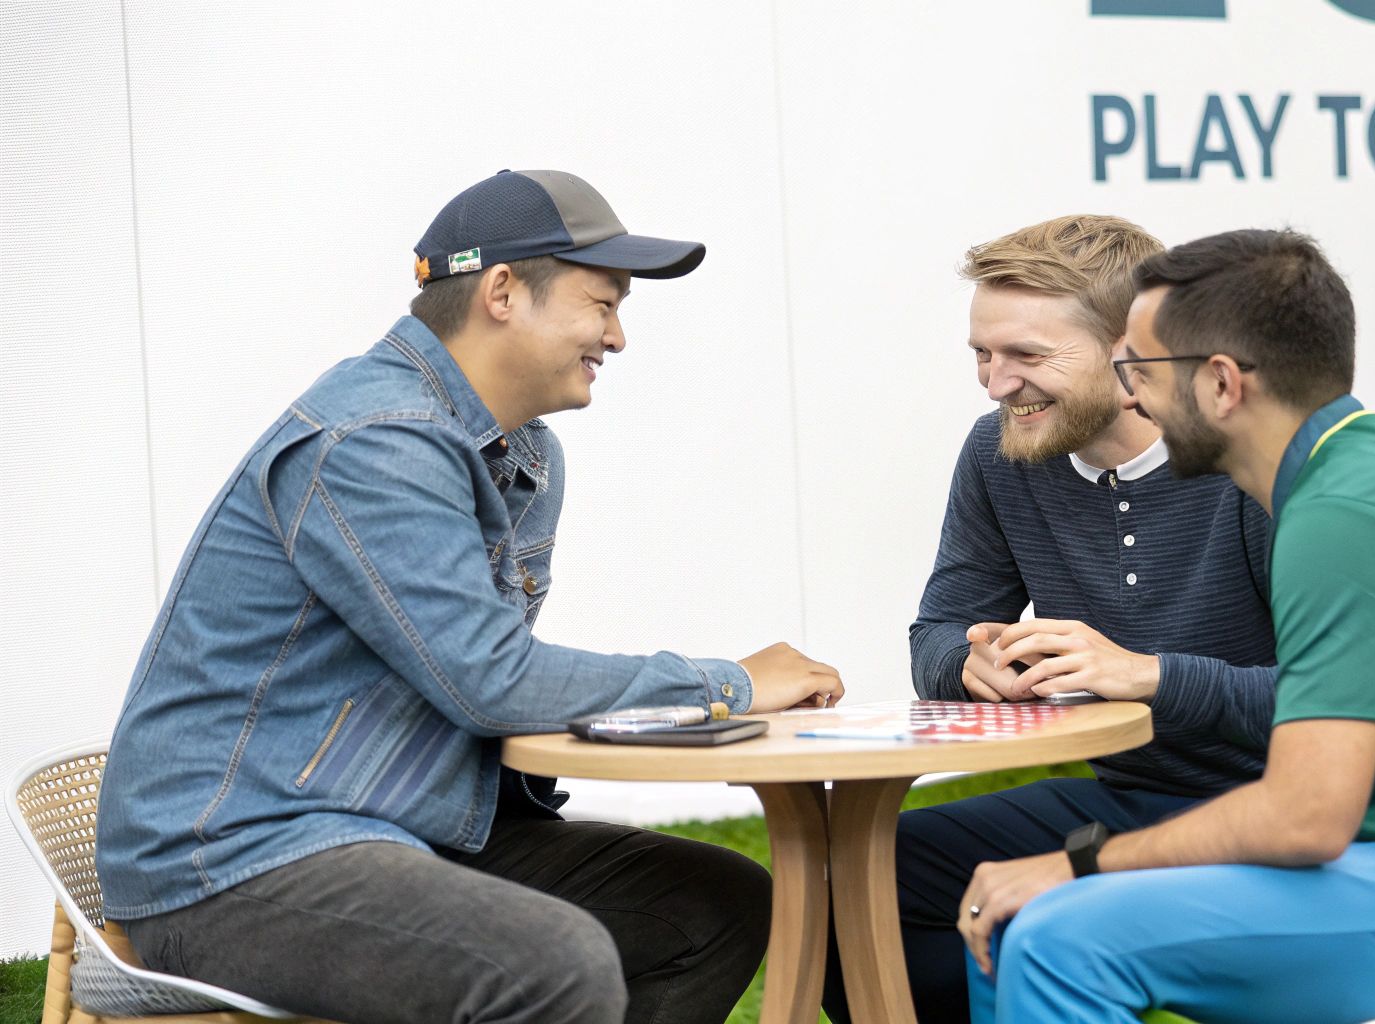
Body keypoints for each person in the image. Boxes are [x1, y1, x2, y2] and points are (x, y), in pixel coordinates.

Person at [95, 169, 844, 1024]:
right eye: (603, 303)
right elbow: (492, 680)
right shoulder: (376, 440)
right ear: (502, 293)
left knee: (716, 906)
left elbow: (482, 681)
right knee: (555, 964)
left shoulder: (521, 454)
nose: (618, 336)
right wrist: (726, 684)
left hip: (387, 824)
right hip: (237, 854)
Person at [957, 228, 1375, 1023]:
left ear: (1221, 385)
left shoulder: (1342, 515)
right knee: (1023, 918)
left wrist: (1083, 864)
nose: (1130, 398)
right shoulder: (1361, 469)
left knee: (1056, 937)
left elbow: (1305, 818)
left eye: (1141, 371)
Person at [823, 215, 1278, 1022]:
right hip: (1130, 795)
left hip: (1284, 808)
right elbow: (939, 631)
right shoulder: (997, 453)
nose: (996, 384)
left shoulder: (1249, 461)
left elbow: (1339, 700)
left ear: (1131, 350)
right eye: (982, 354)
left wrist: (1150, 677)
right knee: (852, 895)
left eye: (1027, 357)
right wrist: (970, 664)